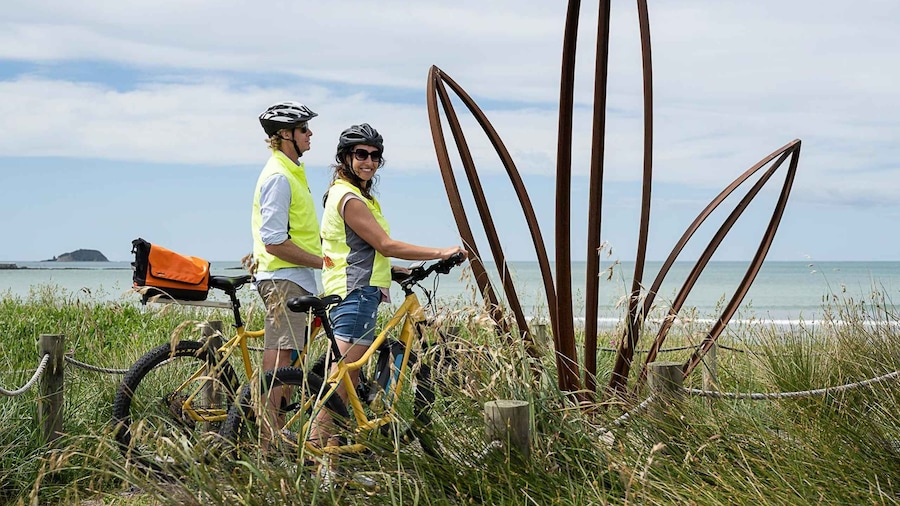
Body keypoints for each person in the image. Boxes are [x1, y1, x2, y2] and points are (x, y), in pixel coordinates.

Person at [313, 123, 467, 465]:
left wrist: (393, 270)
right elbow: (384, 244)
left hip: (352, 289)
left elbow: (360, 249)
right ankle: (319, 456)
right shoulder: (349, 198)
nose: (369, 161)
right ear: (345, 158)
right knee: (343, 380)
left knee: (343, 375)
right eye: (361, 154)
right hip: (354, 293)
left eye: (375, 156)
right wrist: (440, 252)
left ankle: (329, 452)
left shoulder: (354, 195)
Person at [251, 100, 322, 448]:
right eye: (304, 129)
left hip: (295, 277)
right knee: (280, 358)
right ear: (285, 135)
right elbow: (275, 240)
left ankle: (277, 434)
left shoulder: (292, 171)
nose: (311, 134)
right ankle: (267, 443)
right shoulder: (279, 176)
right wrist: (322, 262)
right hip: (284, 277)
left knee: (289, 357)